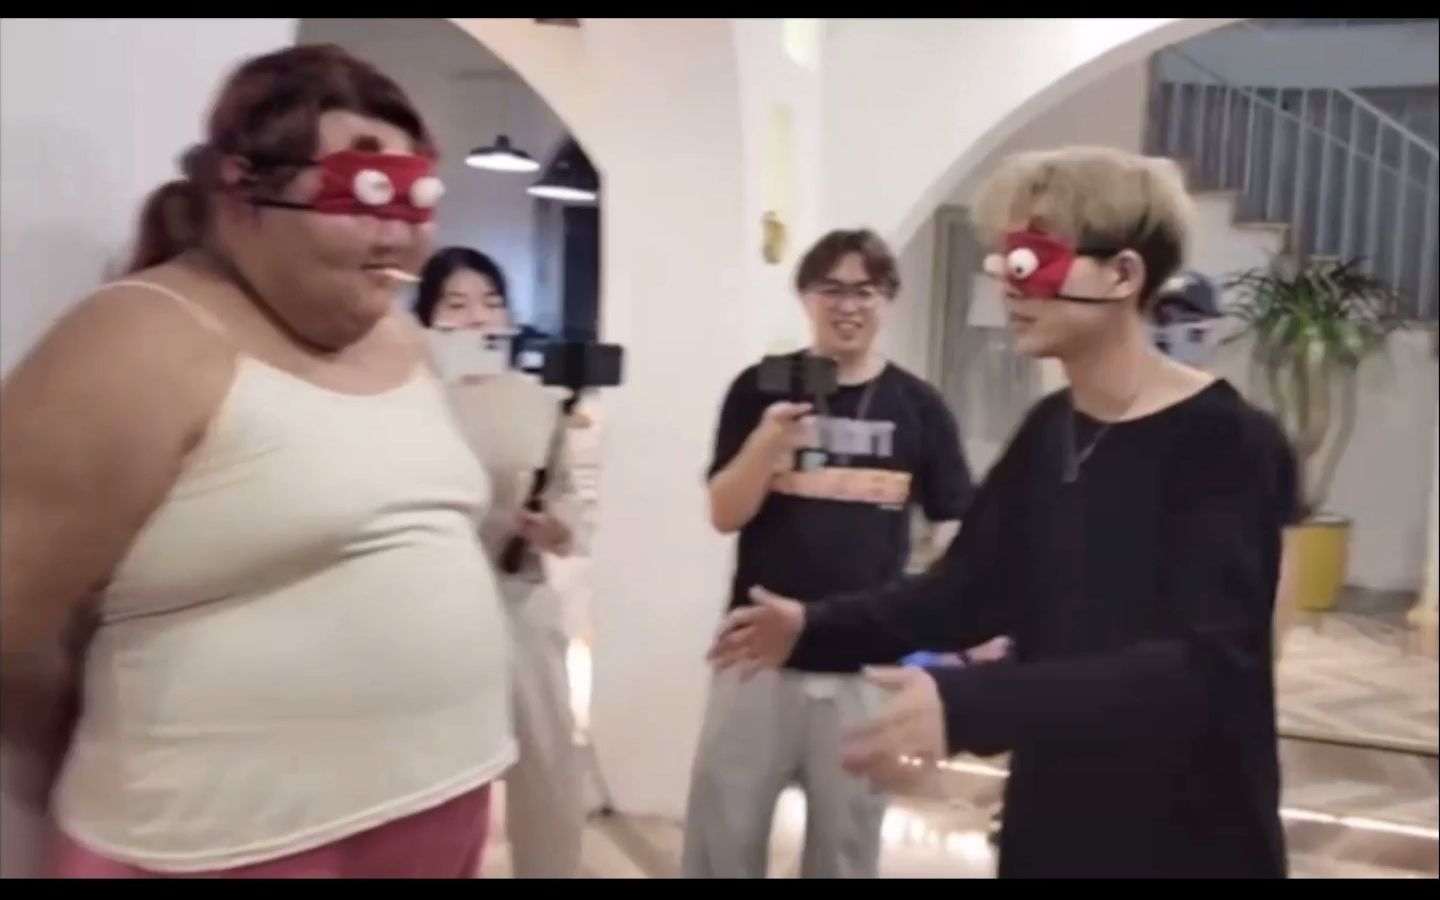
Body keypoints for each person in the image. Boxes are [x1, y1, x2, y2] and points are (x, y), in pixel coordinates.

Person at [709, 147, 1297, 879]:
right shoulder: (1051, 430)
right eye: (1005, 261)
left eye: (1034, 260)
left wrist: (970, 703)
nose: (1011, 287)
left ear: (1122, 275)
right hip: (1056, 814)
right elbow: (965, 592)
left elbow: (1203, 670)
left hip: (1186, 835)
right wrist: (812, 625)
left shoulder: (1228, 443)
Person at [0, 45, 513, 878]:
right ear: (242, 193)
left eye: (417, 197)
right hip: (217, 839)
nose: (400, 235)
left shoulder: (403, 338)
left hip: (435, 811)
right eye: (365, 193)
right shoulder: (138, 339)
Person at [683, 229, 974, 878]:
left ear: (888, 300)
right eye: (832, 289)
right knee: (723, 838)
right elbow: (724, 513)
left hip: (864, 662)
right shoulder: (758, 389)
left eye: (865, 291)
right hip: (755, 655)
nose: (848, 305)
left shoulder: (919, 407)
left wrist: (952, 631)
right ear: (805, 297)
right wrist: (766, 444)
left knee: (845, 850)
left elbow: (954, 527)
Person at [413, 246, 587, 879]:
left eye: (490, 302)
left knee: (547, 764)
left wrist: (556, 527)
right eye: (456, 304)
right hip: (430, 612)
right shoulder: (409, 399)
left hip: (521, 597)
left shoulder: (539, 401)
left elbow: (567, 500)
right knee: (433, 776)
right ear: (427, 319)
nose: (477, 318)